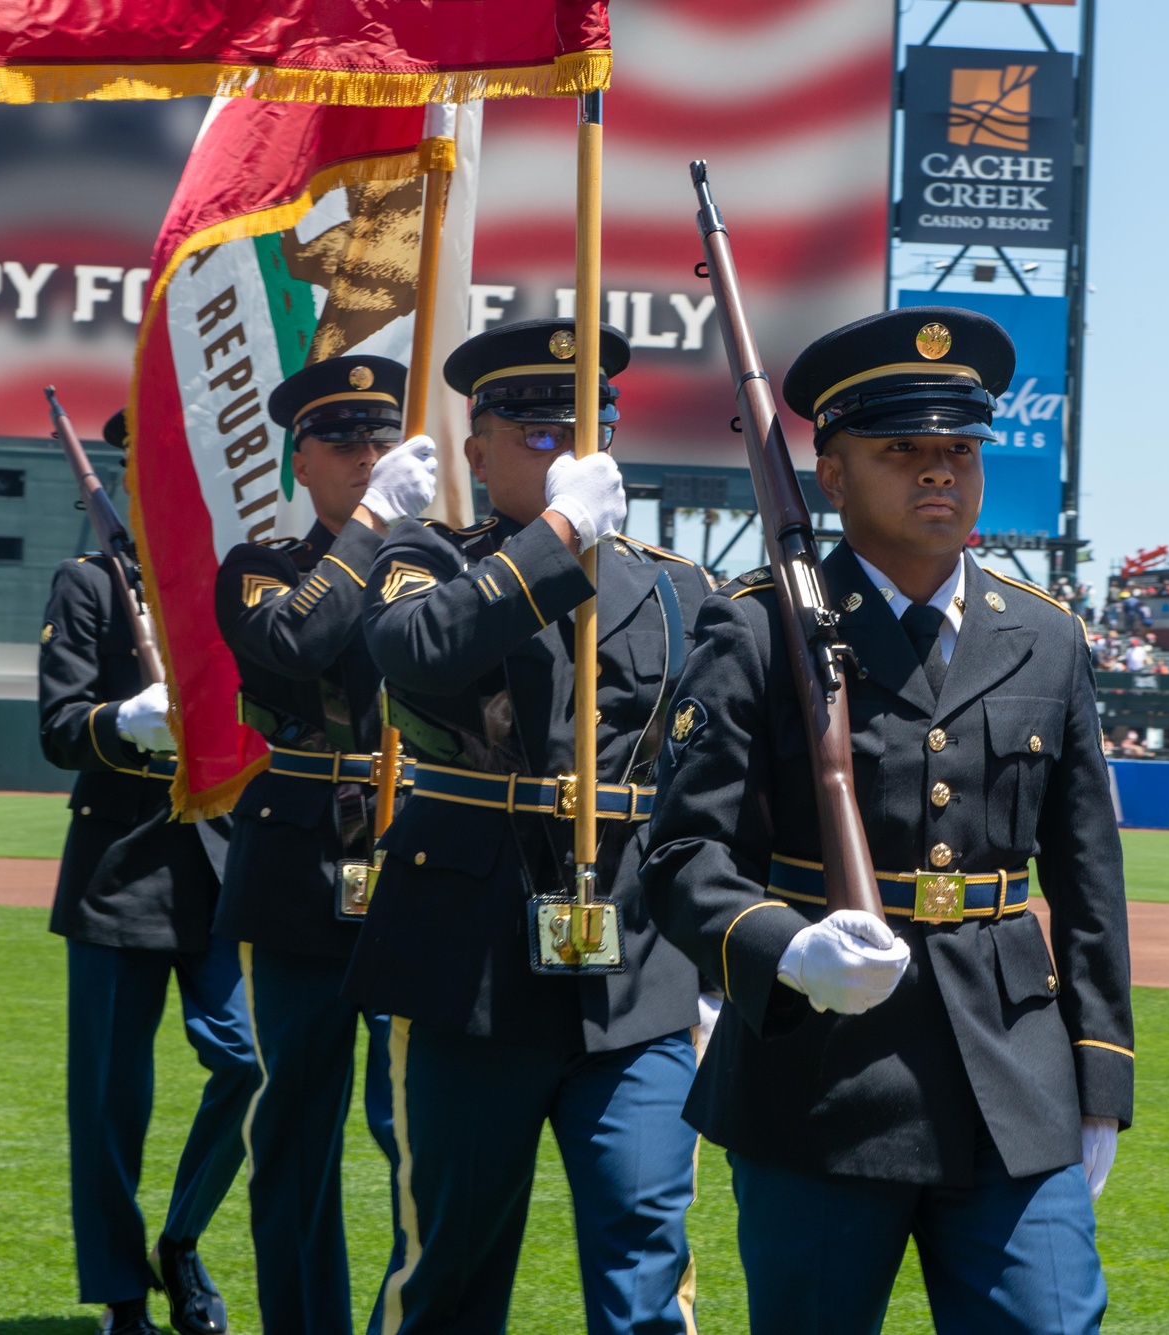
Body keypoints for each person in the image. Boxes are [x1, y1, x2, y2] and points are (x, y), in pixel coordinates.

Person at [642, 307, 1134, 1333]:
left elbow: (1087, 877)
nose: (937, 472)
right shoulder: (753, 628)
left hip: (1011, 1079)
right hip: (818, 1082)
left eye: (957, 448)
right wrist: (787, 948)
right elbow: (683, 855)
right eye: (900, 450)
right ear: (830, 475)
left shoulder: (1042, 637)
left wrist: (1100, 1077)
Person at [342, 318, 711, 1333]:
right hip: (468, 968)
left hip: (634, 974)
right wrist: (555, 540)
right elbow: (415, 653)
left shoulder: (680, 588)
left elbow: (711, 777)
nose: (564, 452)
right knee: (449, 1266)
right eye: (534, 432)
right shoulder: (420, 559)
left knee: (646, 1258)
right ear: (476, 447)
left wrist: (715, 962)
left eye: (584, 428)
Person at [212, 356, 437, 1335]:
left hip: (417, 865)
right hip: (298, 869)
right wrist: (372, 529)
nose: (367, 456)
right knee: (297, 1126)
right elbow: (295, 645)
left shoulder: (439, 567)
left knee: (414, 1136)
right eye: (342, 441)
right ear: (299, 460)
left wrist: (401, 537)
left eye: (382, 439)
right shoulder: (261, 567)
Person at [40, 411, 258, 1335]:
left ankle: (180, 1238)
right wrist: (129, 720)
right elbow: (58, 729)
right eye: (145, 465)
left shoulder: (241, 581)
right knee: (108, 1105)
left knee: (252, 1060)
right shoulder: (90, 584)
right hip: (119, 875)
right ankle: (123, 1297)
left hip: (222, 869)